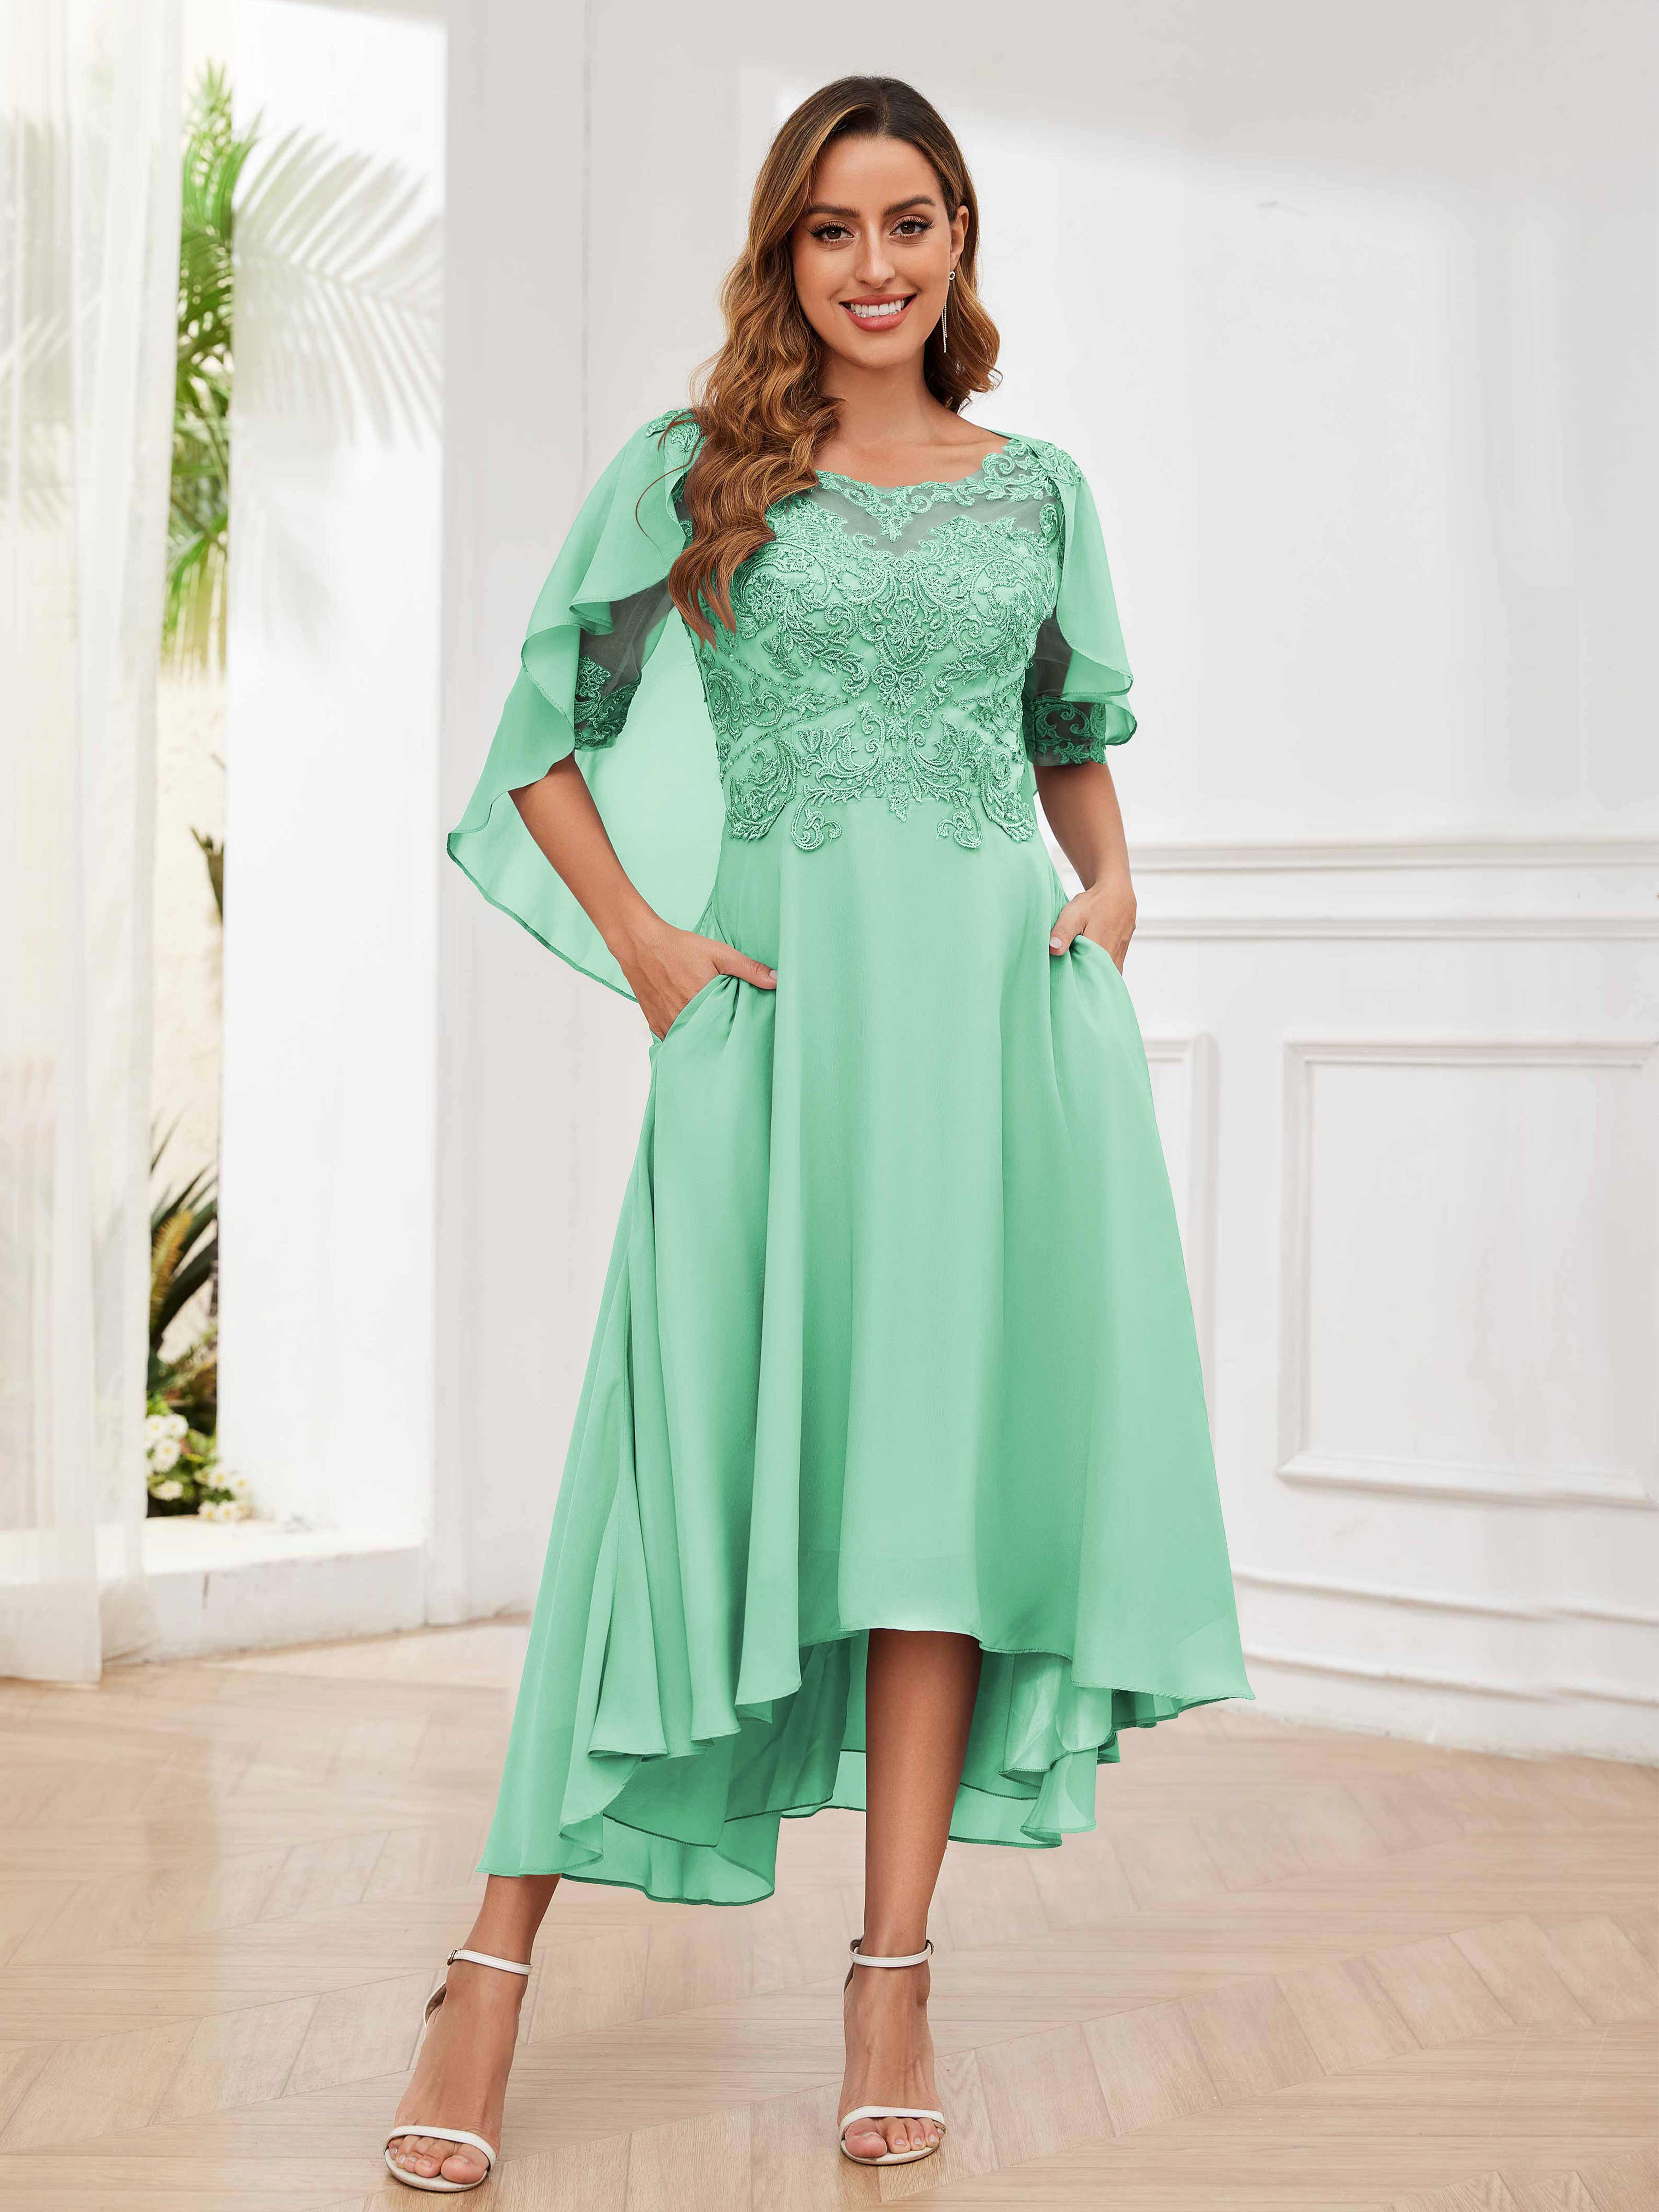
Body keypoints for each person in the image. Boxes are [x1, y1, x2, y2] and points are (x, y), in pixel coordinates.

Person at [387, 72, 1252, 2193]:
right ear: (785, 250)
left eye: (913, 222)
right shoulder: (696, 474)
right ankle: (485, 1974)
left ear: (960, 242)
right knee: (662, 1480)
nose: (878, 265)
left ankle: (893, 1977)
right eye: (836, 228)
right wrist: (649, 948)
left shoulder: (1039, 488)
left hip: (991, 1039)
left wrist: (1113, 884)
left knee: (935, 1496)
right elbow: (541, 742)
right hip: (773, 1034)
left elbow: (1066, 730)